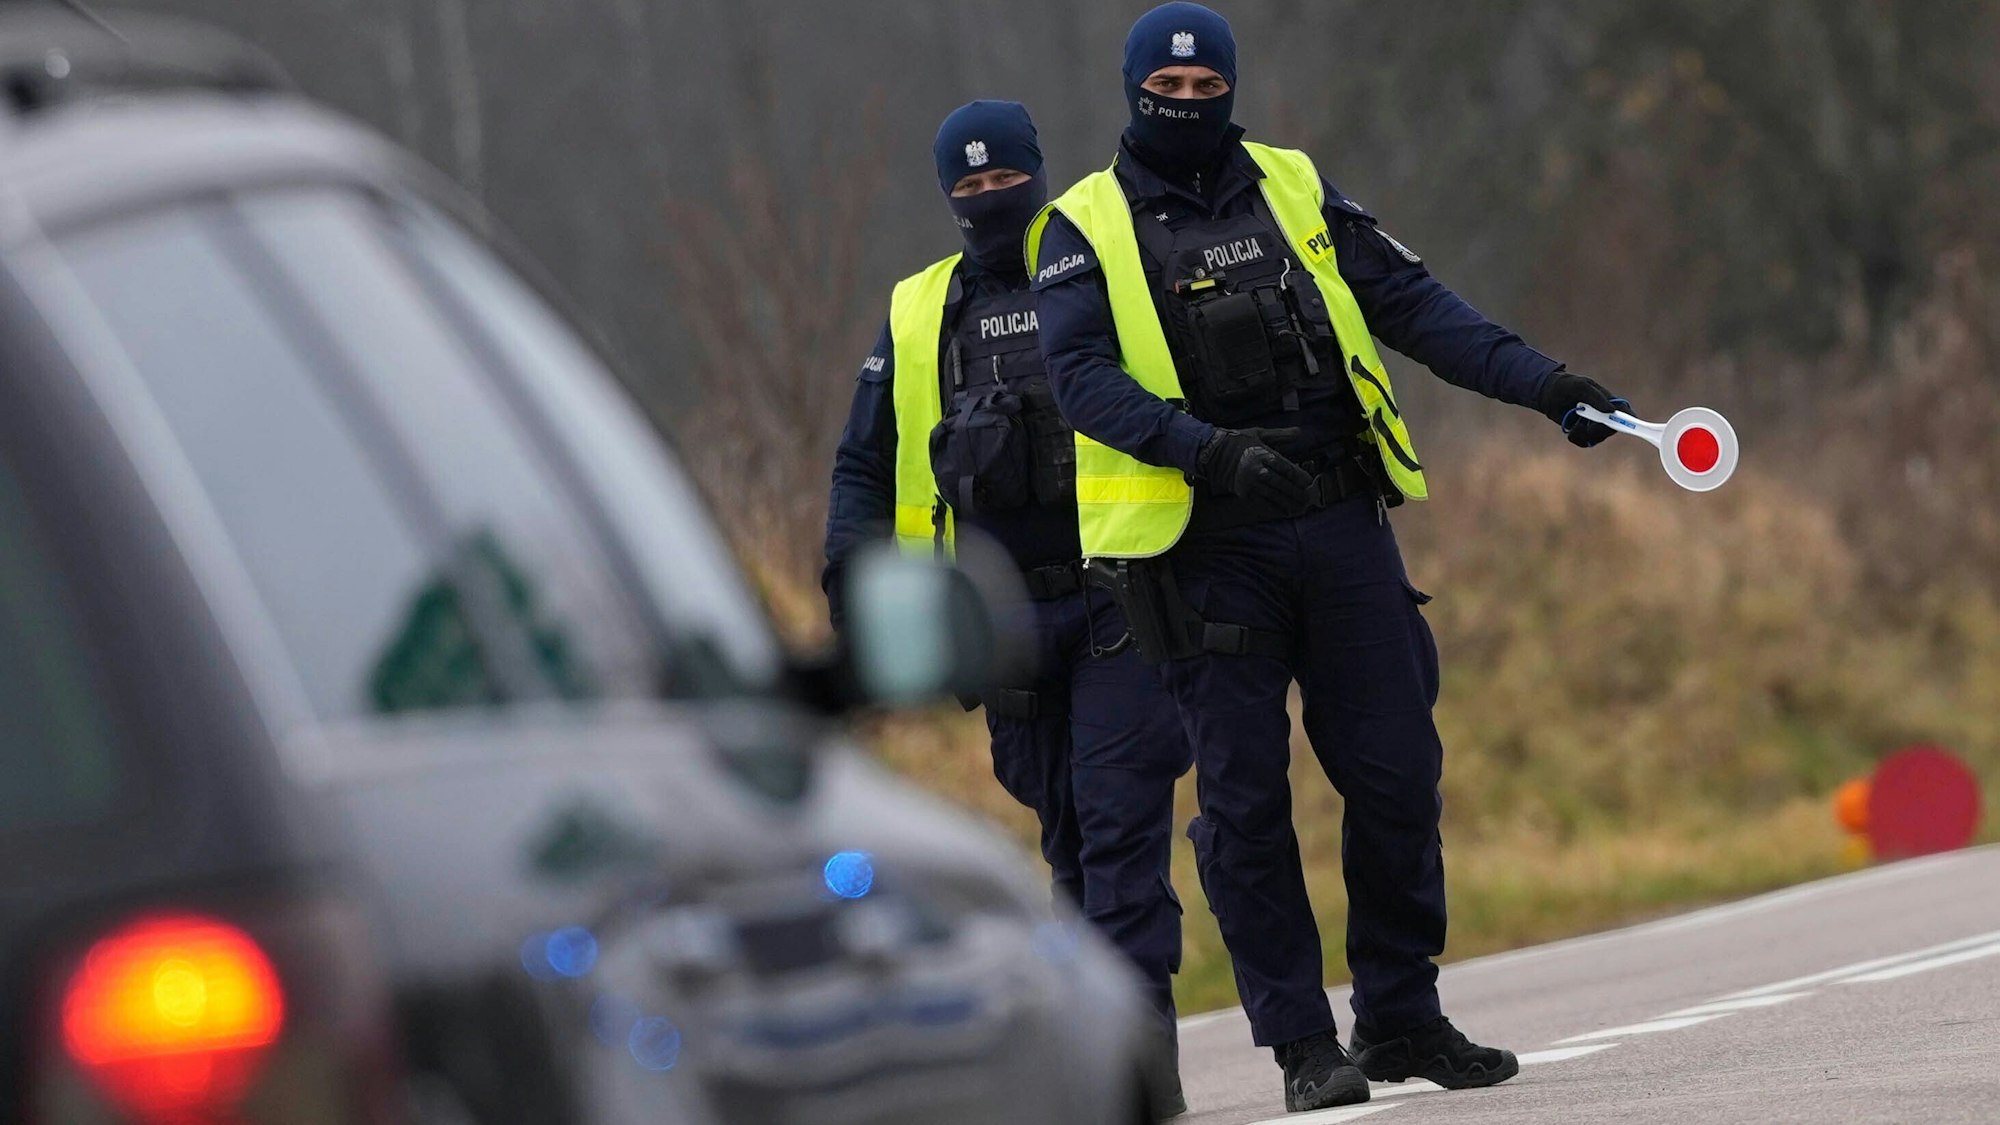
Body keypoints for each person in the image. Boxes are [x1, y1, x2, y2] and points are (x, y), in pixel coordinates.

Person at [1027, 3, 1632, 1113]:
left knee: (1398, 774)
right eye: (1168, 94)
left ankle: (1400, 1016)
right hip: (1205, 549)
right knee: (1247, 805)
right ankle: (1303, 1045)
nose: (1190, 109)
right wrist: (1204, 453)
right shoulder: (1079, 227)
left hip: (1341, 522)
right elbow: (1080, 382)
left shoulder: (1292, 183)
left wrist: (1547, 387)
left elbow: (1408, 301)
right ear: (1131, 93)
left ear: (1231, 89)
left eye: (1209, 92)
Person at [821, 100, 1194, 1116]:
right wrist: (854, 585)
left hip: (1119, 595)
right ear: (947, 196)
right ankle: (1103, 1061)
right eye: (969, 188)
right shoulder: (918, 313)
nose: (990, 200)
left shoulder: (1095, 266)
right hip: (1002, 627)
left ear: (1038, 173)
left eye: (1005, 181)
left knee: (1119, 836)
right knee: (1067, 841)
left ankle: (1144, 1066)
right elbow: (862, 467)